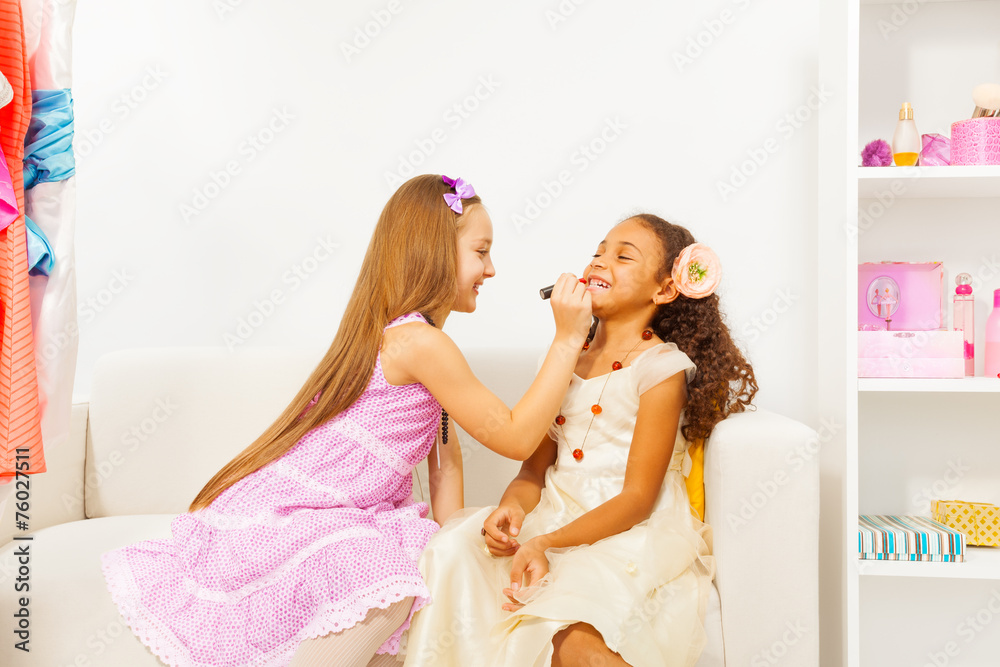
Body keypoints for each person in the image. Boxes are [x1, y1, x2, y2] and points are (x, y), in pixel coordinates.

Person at [99, 174, 594, 667]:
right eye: (481, 252)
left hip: (338, 513)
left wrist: (454, 550)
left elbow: (445, 460)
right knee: (379, 576)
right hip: (300, 513)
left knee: (419, 573)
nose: (491, 269)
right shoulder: (420, 344)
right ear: (437, 252)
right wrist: (568, 340)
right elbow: (514, 437)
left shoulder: (420, 342)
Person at [400, 213, 758, 667]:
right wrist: (512, 509)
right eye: (597, 252)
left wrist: (546, 544)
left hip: (626, 529)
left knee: (574, 638)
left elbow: (638, 498)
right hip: (553, 517)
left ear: (665, 289)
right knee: (453, 549)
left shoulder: (660, 369)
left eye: (623, 256)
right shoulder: (565, 359)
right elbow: (533, 469)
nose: (599, 263)